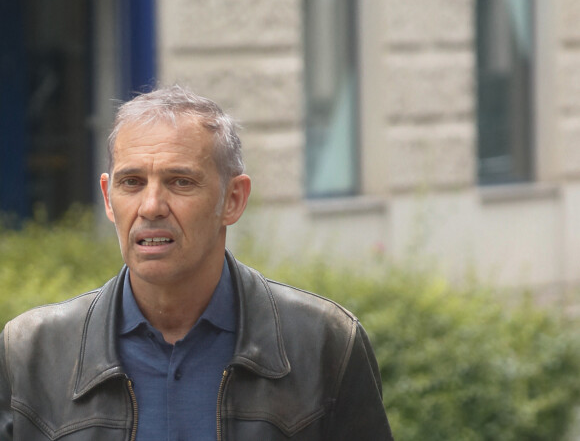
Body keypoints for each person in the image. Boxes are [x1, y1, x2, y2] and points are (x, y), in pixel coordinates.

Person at [0, 85, 394, 440]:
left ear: (233, 199)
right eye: (132, 182)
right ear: (107, 197)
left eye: (180, 182)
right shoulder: (30, 353)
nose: (151, 206)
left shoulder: (323, 343)